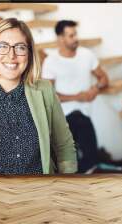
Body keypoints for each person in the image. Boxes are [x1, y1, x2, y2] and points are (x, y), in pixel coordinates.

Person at [0, 18, 77, 175]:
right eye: (2, 46)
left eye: (20, 47)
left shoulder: (46, 90)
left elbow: (64, 147)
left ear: (29, 53)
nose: (11, 55)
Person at [42, 20, 109, 173]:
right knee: (67, 164)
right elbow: (48, 94)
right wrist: (77, 97)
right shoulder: (50, 62)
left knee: (91, 161)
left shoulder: (87, 54)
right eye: (71, 35)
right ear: (60, 38)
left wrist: (95, 88)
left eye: (75, 34)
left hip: (85, 114)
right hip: (63, 118)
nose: (75, 38)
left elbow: (104, 78)